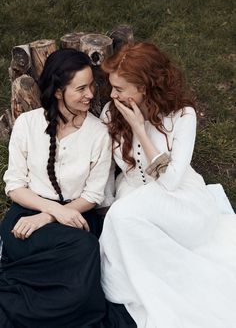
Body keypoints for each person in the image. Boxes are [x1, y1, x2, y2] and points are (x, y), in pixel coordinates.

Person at [99, 42, 236, 328]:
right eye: (111, 87)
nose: (112, 95)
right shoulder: (111, 113)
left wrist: (139, 128)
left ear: (145, 87)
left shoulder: (182, 116)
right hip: (135, 191)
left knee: (123, 216)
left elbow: (172, 180)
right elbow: (108, 171)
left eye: (120, 88)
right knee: (122, 217)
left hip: (180, 200)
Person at [0, 49, 136, 328]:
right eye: (81, 88)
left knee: (84, 246)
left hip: (77, 216)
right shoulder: (27, 124)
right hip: (26, 216)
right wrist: (49, 209)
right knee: (79, 262)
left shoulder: (98, 133)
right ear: (59, 91)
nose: (91, 94)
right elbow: (14, 185)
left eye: (93, 85)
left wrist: (52, 217)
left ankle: (30, 307)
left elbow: (94, 194)